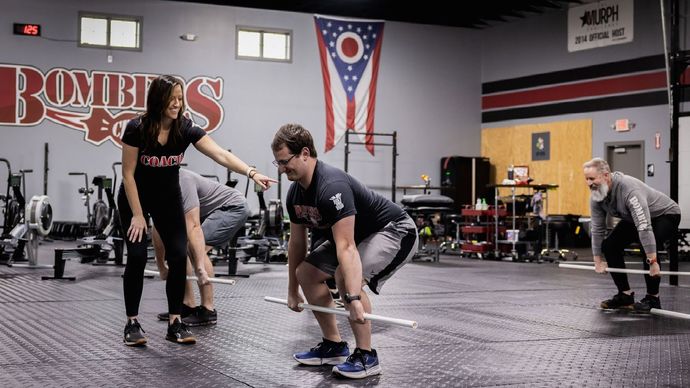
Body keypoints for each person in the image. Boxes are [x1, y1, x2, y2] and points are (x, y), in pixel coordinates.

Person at [119, 75, 275, 347]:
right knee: (136, 257)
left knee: (179, 256)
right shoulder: (137, 128)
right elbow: (128, 175)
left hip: (167, 199)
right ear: (158, 100)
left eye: (180, 99)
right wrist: (138, 214)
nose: (177, 104)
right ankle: (132, 322)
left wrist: (251, 172)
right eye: (172, 99)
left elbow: (220, 154)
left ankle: (175, 323)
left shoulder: (185, 129)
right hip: (135, 201)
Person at [270, 124, 418, 379]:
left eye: (285, 162)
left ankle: (366, 355)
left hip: (394, 231)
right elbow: (296, 244)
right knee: (306, 272)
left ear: (305, 153)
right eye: (278, 164)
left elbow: (347, 248)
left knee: (345, 276)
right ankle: (334, 346)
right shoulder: (295, 194)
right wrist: (293, 290)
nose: (282, 170)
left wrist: (354, 299)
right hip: (357, 236)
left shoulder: (331, 186)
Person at [152, 168, 250, 326]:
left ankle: (208, 310)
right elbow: (158, 229)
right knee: (178, 249)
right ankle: (188, 304)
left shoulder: (182, 181)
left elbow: (193, 226)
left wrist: (199, 268)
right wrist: (161, 265)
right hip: (208, 210)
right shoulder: (156, 189)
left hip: (232, 207)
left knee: (196, 247)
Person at [583, 157, 680, 312]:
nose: (589, 183)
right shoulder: (596, 196)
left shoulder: (629, 190)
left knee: (646, 246)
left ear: (606, 175)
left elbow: (644, 226)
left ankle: (653, 298)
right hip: (633, 219)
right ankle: (625, 295)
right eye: (586, 179)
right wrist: (597, 260)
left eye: (592, 178)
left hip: (665, 215)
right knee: (610, 246)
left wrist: (653, 261)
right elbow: (597, 228)